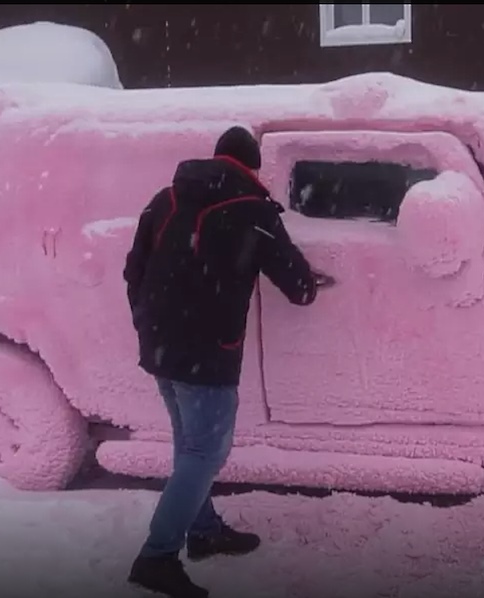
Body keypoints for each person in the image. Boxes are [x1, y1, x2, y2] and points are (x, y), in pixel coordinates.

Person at [122, 125, 333, 598]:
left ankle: (204, 531)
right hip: (208, 353)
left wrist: (150, 322)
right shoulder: (252, 211)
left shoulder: (165, 199)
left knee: (189, 449)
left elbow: (133, 269)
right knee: (204, 453)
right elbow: (298, 289)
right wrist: (315, 283)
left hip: (160, 346)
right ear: (253, 167)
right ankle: (157, 557)